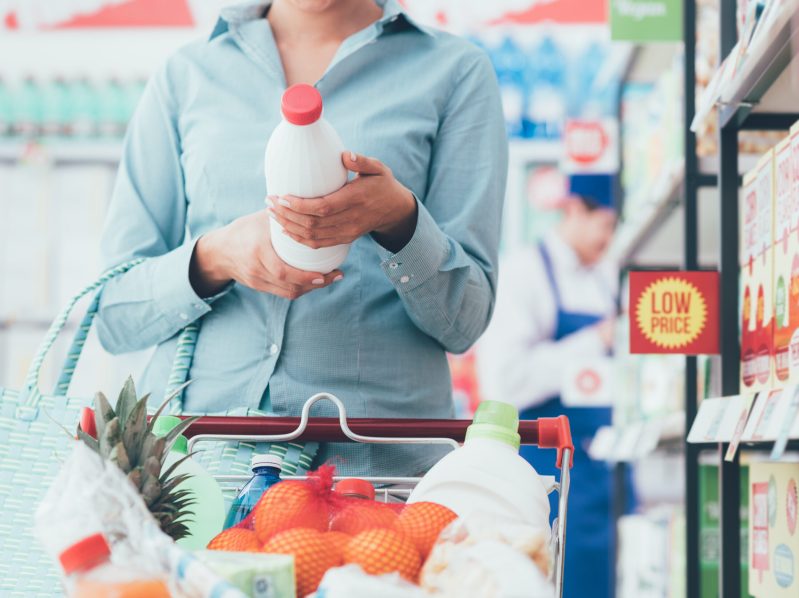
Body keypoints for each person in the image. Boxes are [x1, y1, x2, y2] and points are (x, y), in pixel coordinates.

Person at [95, 0, 507, 476]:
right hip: (198, 473)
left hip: (374, 478)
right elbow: (113, 315)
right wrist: (213, 259)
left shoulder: (454, 72)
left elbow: (465, 323)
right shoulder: (188, 75)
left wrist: (399, 219)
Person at [476, 173, 623, 598]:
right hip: (546, 476)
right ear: (575, 209)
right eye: (607, 226)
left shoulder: (604, 279)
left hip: (603, 475)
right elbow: (507, 381)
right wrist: (596, 340)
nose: (610, 239)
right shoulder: (525, 273)